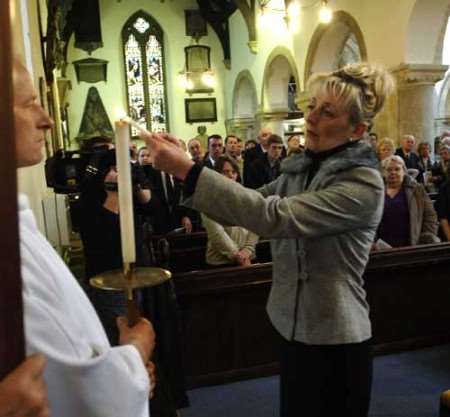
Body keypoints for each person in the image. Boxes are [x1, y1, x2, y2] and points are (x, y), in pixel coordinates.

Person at [144, 62, 394, 417]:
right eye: (311, 107)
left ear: (358, 129)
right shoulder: (301, 169)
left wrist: (188, 170)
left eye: (327, 112)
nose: (311, 118)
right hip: (293, 328)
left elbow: (272, 217)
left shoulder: (362, 184)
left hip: (336, 338)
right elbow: (243, 205)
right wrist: (188, 168)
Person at [13, 59, 155, 417]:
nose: (45, 119)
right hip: (104, 276)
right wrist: (134, 356)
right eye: (29, 102)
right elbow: (79, 393)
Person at [201, 155, 258, 267]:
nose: (231, 175)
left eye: (234, 171)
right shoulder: (208, 200)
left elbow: (255, 225)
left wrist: (248, 250)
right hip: (221, 262)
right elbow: (217, 234)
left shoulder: (246, 195)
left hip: (248, 257)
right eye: (225, 171)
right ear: (217, 174)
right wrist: (238, 256)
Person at [375, 156, 439, 249]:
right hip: (381, 247)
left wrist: (426, 238)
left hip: (411, 246)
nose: (393, 172)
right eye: (389, 169)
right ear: (383, 172)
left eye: (397, 169)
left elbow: (430, 216)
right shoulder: (375, 191)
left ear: (404, 171)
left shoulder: (417, 189)